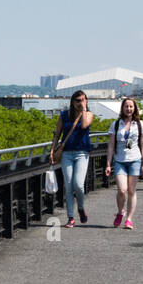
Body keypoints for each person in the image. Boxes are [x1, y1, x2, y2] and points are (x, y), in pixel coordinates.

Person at [49, 89, 94, 227]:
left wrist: (84, 109)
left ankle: (80, 207)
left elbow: (85, 125)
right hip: (67, 153)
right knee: (68, 186)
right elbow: (57, 135)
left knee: (78, 184)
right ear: (72, 102)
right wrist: (52, 151)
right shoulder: (64, 115)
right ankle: (70, 217)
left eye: (83, 100)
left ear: (86, 100)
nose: (80, 103)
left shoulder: (88, 114)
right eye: (77, 100)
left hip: (82, 153)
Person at [103, 97, 143, 228]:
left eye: (131, 106)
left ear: (134, 108)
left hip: (135, 159)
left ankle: (129, 218)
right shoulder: (116, 124)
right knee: (122, 190)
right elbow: (111, 145)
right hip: (120, 160)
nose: (129, 109)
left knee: (132, 191)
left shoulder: (139, 124)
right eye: (126, 106)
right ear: (122, 108)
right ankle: (120, 212)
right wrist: (108, 163)